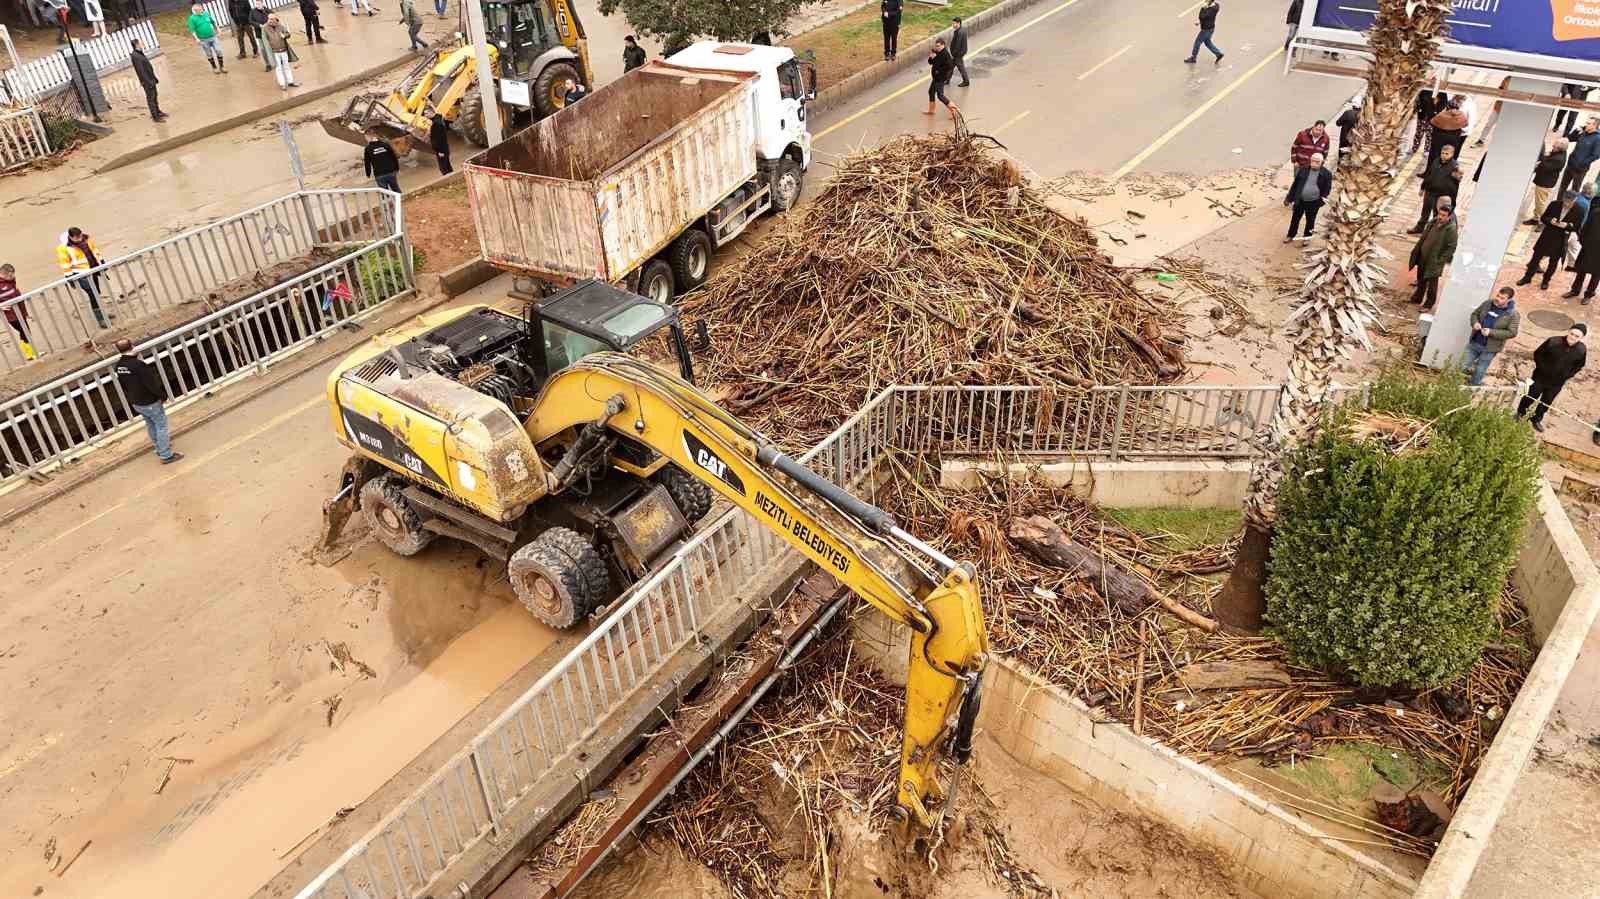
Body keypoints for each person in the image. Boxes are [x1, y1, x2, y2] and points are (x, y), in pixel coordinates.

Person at [113, 339, 183, 464]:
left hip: (137, 402)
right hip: (149, 401)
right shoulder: (138, 365)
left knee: (150, 424)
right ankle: (166, 455)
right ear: (132, 346)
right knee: (161, 426)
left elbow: (123, 384)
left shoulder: (119, 366)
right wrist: (163, 396)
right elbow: (151, 384)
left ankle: (159, 448)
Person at [1519, 325, 1588, 432]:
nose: (1573, 337)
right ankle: (1520, 413)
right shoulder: (1553, 341)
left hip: (1557, 383)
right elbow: (1538, 354)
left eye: (1577, 336)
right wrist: (1542, 368)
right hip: (1540, 378)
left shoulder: (1581, 349)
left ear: (1581, 338)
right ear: (1568, 331)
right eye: (1572, 334)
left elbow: (1579, 365)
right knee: (1530, 396)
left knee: (1546, 402)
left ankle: (1536, 419)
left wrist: (1568, 375)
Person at [1519, 190, 1584, 291]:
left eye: (1570, 202)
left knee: (1553, 262)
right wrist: (1550, 220)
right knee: (1535, 258)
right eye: (1565, 201)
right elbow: (1543, 217)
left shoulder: (1580, 210)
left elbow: (1577, 227)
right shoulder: (1554, 204)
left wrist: (1567, 225)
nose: (1567, 204)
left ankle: (1546, 281)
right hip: (1547, 236)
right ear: (1563, 198)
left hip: (1561, 239)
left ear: (1574, 201)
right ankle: (1527, 277)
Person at [1407, 198, 1457, 311]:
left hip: (1434, 261)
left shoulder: (1451, 229)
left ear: (1449, 216)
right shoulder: (1433, 221)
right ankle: (1417, 298)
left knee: (1432, 284)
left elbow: (1451, 247)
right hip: (1423, 256)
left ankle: (1428, 304)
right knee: (1421, 279)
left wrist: (1440, 260)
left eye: (1444, 215)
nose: (1440, 217)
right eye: (1440, 213)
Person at [57, 227, 110, 329]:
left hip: (93, 270)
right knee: (93, 294)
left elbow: (95, 251)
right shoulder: (64, 249)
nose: (80, 239)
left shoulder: (86, 239)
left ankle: (102, 314)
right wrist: (70, 279)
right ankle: (100, 319)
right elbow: (65, 264)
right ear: (71, 237)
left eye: (80, 236)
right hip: (81, 275)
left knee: (97, 292)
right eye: (77, 238)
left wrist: (102, 262)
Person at [1465, 287, 1519, 386]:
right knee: (1462, 364)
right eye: (1498, 295)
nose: (1498, 299)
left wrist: (1491, 332)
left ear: (1509, 300)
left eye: (1502, 298)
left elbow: (1512, 332)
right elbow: (1475, 314)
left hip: (1490, 349)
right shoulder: (1488, 303)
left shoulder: (1513, 314)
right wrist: (1475, 323)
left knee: (1480, 370)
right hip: (1475, 342)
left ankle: (1472, 387)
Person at [1410, 142, 1461, 234]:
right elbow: (1429, 175)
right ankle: (1420, 227)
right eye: (1442, 153)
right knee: (1425, 211)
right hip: (1430, 192)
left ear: (1452, 154)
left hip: (1441, 195)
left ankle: (1433, 232)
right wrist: (1423, 187)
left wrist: (1451, 199)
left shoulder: (1454, 167)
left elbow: (1455, 184)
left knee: (1437, 214)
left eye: (1446, 154)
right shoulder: (1436, 161)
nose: (1444, 155)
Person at [1283, 151, 1331, 242]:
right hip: (1300, 200)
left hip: (1314, 202)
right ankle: (1290, 235)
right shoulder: (1303, 169)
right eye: (1313, 161)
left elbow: (1327, 189)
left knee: (1310, 220)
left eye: (1317, 162)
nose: (1314, 163)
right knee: (1295, 219)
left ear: (1322, 163)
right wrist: (1289, 198)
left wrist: (1321, 202)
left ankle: (1307, 237)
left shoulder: (1326, 174)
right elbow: (1295, 185)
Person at [1529, 140, 1568, 225]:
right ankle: (1537, 217)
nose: (1552, 147)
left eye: (1554, 147)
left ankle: (1540, 220)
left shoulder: (1558, 159)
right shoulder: (1561, 153)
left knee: (1540, 203)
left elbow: (1545, 166)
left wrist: (1542, 157)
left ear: (1560, 149)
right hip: (1546, 181)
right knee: (1540, 201)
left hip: (1545, 183)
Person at [1570, 199, 1600, 303]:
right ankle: (1575, 290)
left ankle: (1589, 295)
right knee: (1581, 270)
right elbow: (1585, 228)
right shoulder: (1596, 212)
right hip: (1588, 247)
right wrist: (1583, 241)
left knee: (1596, 274)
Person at [1562, 116, 1600, 199]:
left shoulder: (1597, 138)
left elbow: (1596, 155)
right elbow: (1569, 139)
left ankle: (1569, 208)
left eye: (1588, 123)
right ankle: (1557, 205)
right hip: (1570, 165)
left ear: (1595, 125)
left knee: (1574, 191)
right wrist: (1576, 130)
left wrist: (1582, 163)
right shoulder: (1583, 132)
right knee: (1562, 188)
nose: (1586, 125)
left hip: (1580, 170)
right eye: (1586, 123)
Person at [0, 264, 32, 362]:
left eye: (13, 275)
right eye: (10, 275)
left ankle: (30, 353)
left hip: (20, 311)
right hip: (11, 315)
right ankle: (30, 354)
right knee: (25, 331)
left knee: (26, 331)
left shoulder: (11, 281)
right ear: (3, 274)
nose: (13, 277)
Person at [130, 38, 166, 122]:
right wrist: (148, 82)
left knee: (154, 96)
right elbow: (141, 71)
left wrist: (154, 78)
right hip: (147, 82)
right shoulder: (136, 56)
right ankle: (155, 116)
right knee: (151, 98)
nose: (143, 44)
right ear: (137, 45)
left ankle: (158, 111)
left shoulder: (139, 54)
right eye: (141, 43)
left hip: (150, 79)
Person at [1428, 96, 1468, 167]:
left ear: (1447, 106)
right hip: (1454, 138)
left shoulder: (1442, 115)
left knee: (1434, 155)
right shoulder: (1462, 115)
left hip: (1439, 137)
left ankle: (1430, 172)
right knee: (1449, 155)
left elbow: (1432, 121)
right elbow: (1465, 124)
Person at [187, 3, 227, 74]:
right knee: (209, 54)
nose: (201, 11)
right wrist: (196, 38)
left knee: (218, 50)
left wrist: (218, 29)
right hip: (203, 39)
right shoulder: (192, 18)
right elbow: (192, 30)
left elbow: (213, 22)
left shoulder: (206, 14)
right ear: (195, 11)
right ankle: (214, 67)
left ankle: (222, 66)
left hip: (213, 36)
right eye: (199, 10)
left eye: (201, 9)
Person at [925, 38, 959, 120]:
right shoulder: (937, 52)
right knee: (931, 91)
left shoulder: (945, 54)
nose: (937, 47)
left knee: (940, 95)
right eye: (936, 46)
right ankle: (931, 110)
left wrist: (938, 71)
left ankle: (955, 110)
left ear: (943, 45)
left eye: (938, 46)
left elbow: (950, 66)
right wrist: (931, 57)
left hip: (940, 78)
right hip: (936, 77)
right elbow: (930, 62)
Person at [263, 14, 298, 89]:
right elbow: (265, 41)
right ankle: (282, 84)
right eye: (269, 19)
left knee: (286, 66)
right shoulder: (265, 28)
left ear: (276, 19)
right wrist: (269, 53)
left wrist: (285, 35)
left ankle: (290, 82)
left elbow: (288, 34)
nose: (270, 20)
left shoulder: (280, 26)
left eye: (272, 19)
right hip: (274, 52)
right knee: (278, 68)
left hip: (283, 50)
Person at [1410, 89, 1446, 159]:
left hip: (1432, 118)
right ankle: (1414, 148)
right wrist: (1418, 109)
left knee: (1429, 135)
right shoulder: (1426, 89)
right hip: (1422, 115)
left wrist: (1436, 106)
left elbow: (1443, 104)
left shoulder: (1442, 92)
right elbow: (1419, 99)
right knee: (1418, 133)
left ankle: (1426, 150)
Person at [1335, 95, 1361, 162]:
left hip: (1344, 138)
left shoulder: (1348, 113)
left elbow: (1338, 123)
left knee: (1342, 154)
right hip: (1356, 140)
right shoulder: (1362, 115)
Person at [250, 0, 273, 71]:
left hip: (269, 32)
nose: (257, 5)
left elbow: (274, 17)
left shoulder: (267, 10)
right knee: (263, 49)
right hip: (259, 34)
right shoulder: (252, 12)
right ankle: (267, 64)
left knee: (272, 47)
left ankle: (276, 61)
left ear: (262, 3)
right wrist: (259, 25)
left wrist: (268, 23)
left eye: (259, 3)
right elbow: (250, 21)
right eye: (256, 4)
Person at [949, 17, 970, 88]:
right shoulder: (962, 30)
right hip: (960, 52)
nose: (952, 25)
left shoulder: (959, 32)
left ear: (958, 23)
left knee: (961, 67)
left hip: (958, 53)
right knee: (951, 66)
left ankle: (966, 81)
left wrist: (953, 54)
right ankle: (947, 79)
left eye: (954, 23)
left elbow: (957, 44)